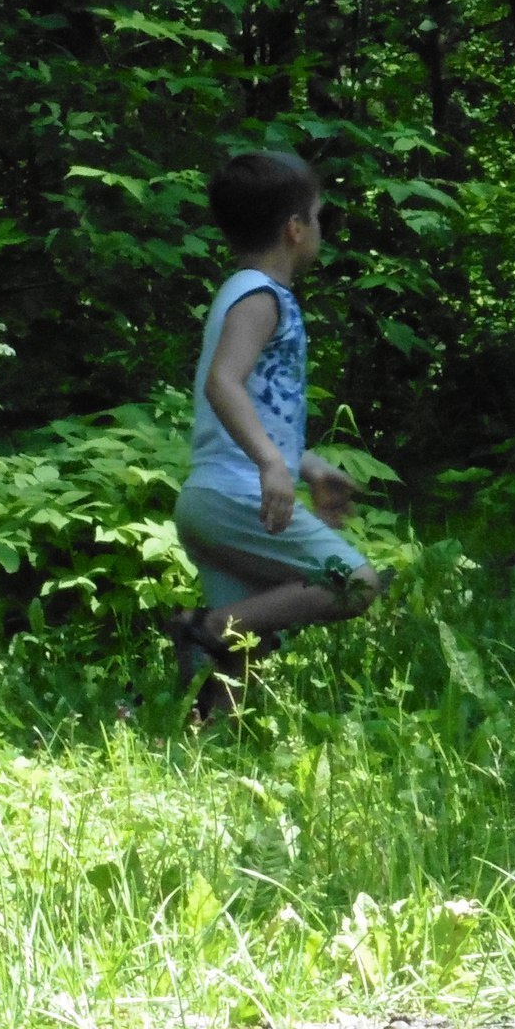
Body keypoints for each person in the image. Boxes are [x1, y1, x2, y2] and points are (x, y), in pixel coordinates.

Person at [160, 150, 379, 717]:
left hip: (212, 497)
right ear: (295, 228)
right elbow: (223, 384)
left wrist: (306, 465)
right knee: (354, 583)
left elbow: (254, 407)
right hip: (236, 495)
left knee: (243, 653)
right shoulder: (259, 297)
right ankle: (203, 626)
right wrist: (269, 464)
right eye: (318, 217)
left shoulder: (247, 292)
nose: (322, 229)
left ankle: (199, 743)